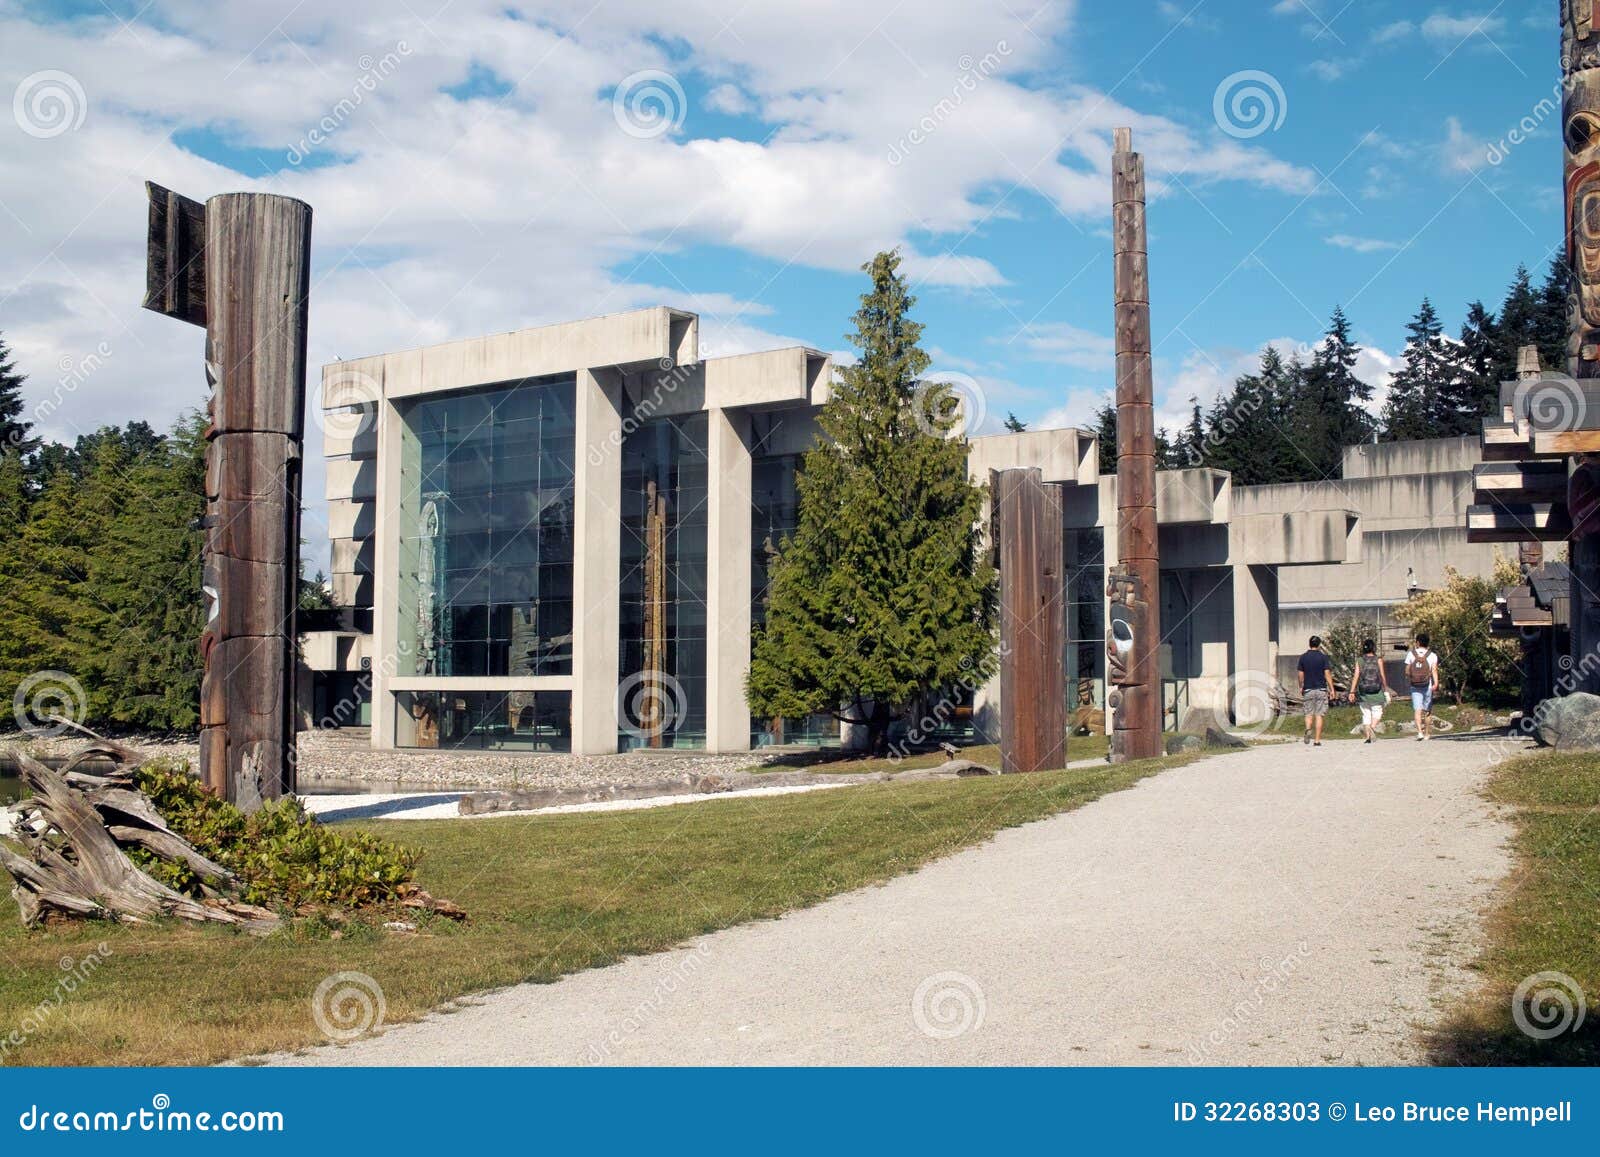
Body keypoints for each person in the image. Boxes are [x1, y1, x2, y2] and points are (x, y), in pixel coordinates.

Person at [1347, 637, 1391, 744]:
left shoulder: (1360, 660)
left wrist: (1352, 692)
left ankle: (1368, 738)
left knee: (1366, 714)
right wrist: (1386, 690)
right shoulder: (1378, 659)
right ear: (1374, 648)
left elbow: (1356, 676)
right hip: (1376, 690)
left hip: (1363, 692)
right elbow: (1382, 676)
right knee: (1378, 712)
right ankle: (1372, 728)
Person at [1297, 635, 1336, 746]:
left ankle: (1308, 729)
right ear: (1319, 645)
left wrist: (1301, 686)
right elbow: (1327, 673)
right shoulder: (1323, 657)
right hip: (1321, 689)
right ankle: (1317, 740)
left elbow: (1300, 674)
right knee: (1319, 715)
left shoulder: (1303, 657)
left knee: (1308, 714)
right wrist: (1332, 689)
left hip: (1308, 689)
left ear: (1309, 644)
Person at [1405, 632, 1441, 740]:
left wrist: (1411, 677)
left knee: (1417, 710)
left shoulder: (1411, 654)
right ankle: (1427, 734)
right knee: (1427, 710)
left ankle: (1419, 732)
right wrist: (1436, 683)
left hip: (1415, 685)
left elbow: (1406, 670)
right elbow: (1434, 670)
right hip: (1427, 686)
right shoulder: (1432, 655)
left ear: (1418, 642)